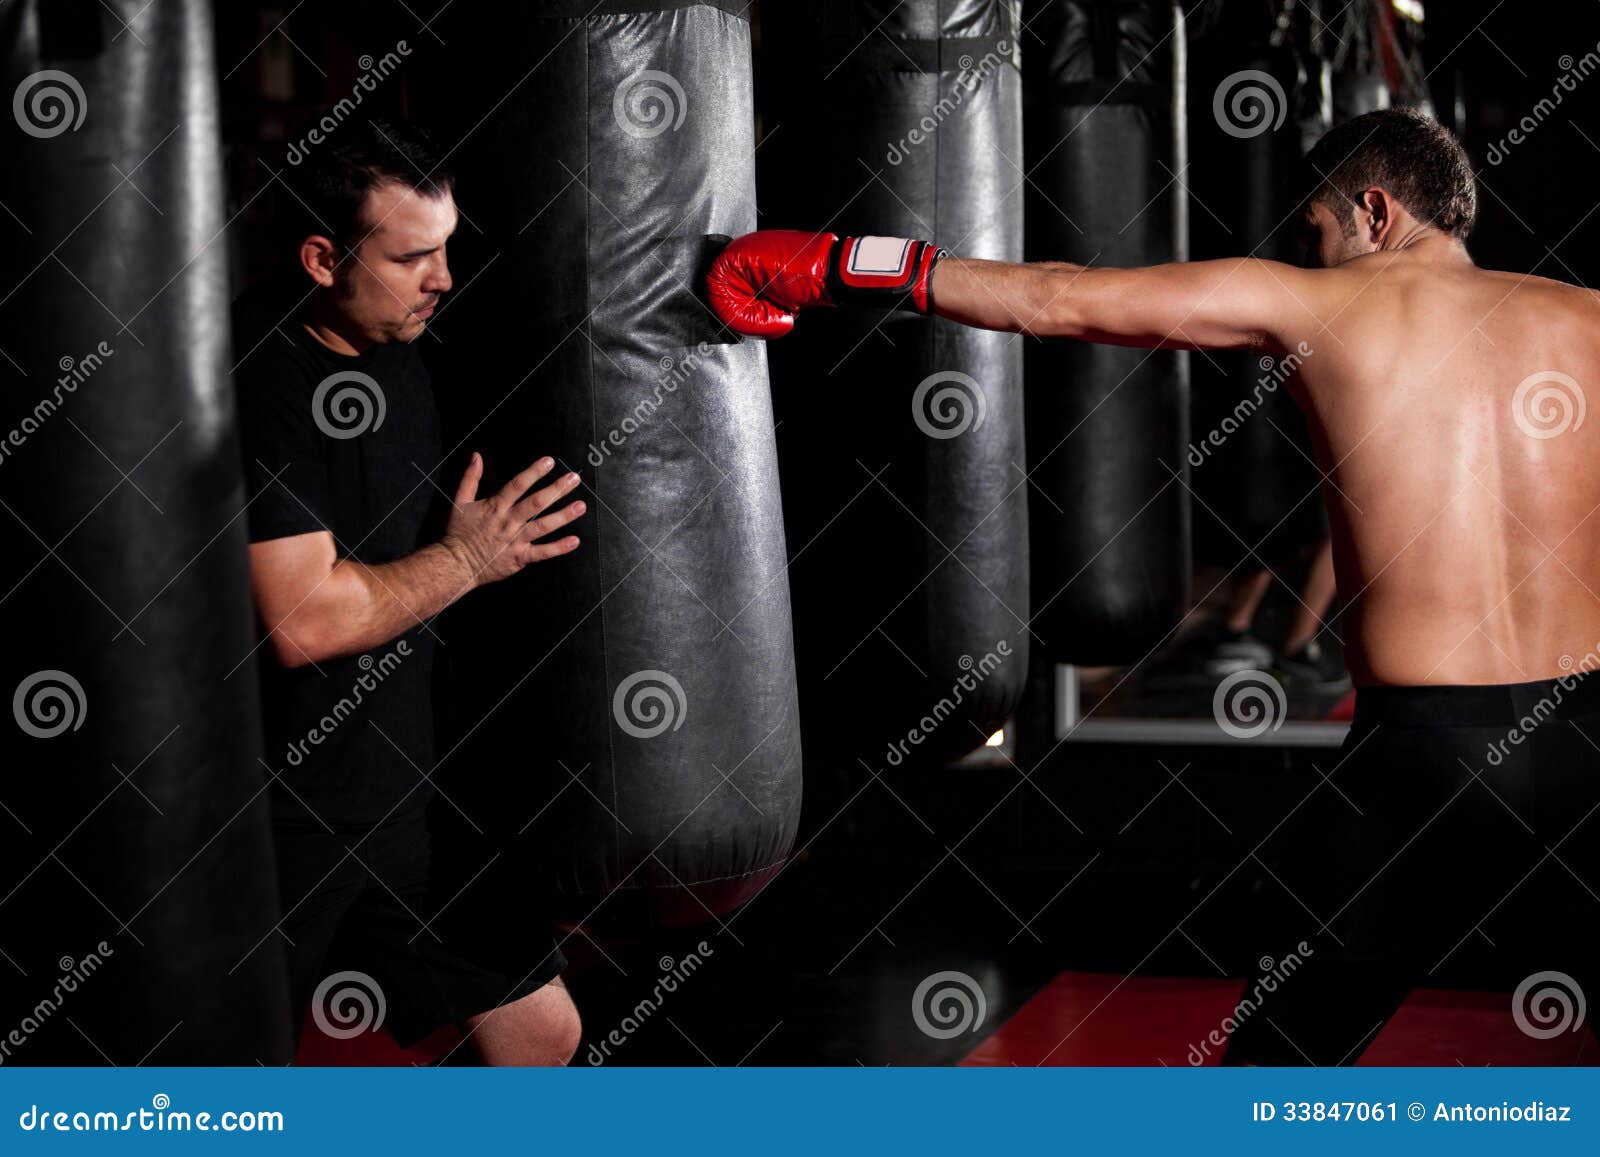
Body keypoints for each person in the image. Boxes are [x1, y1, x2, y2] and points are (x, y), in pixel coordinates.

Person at [707, 108, 1600, 1064]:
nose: (1310, 250)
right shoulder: (1586, 316)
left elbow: (1055, 301)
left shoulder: (1319, 304)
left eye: (1316, 228)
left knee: (1279, 1060)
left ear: (1374, 211)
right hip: (1588, 740)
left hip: (1426, 757)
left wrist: (841, 261)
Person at [233, 116, 586, 1064]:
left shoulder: (413, 344)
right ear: (321, 258)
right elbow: (305, 619)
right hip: (277, 823)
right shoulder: (258, 380)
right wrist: (469, 562)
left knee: (540, 1031)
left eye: (448, 248)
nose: (443, 277)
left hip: (407, 806)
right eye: (414, 256)